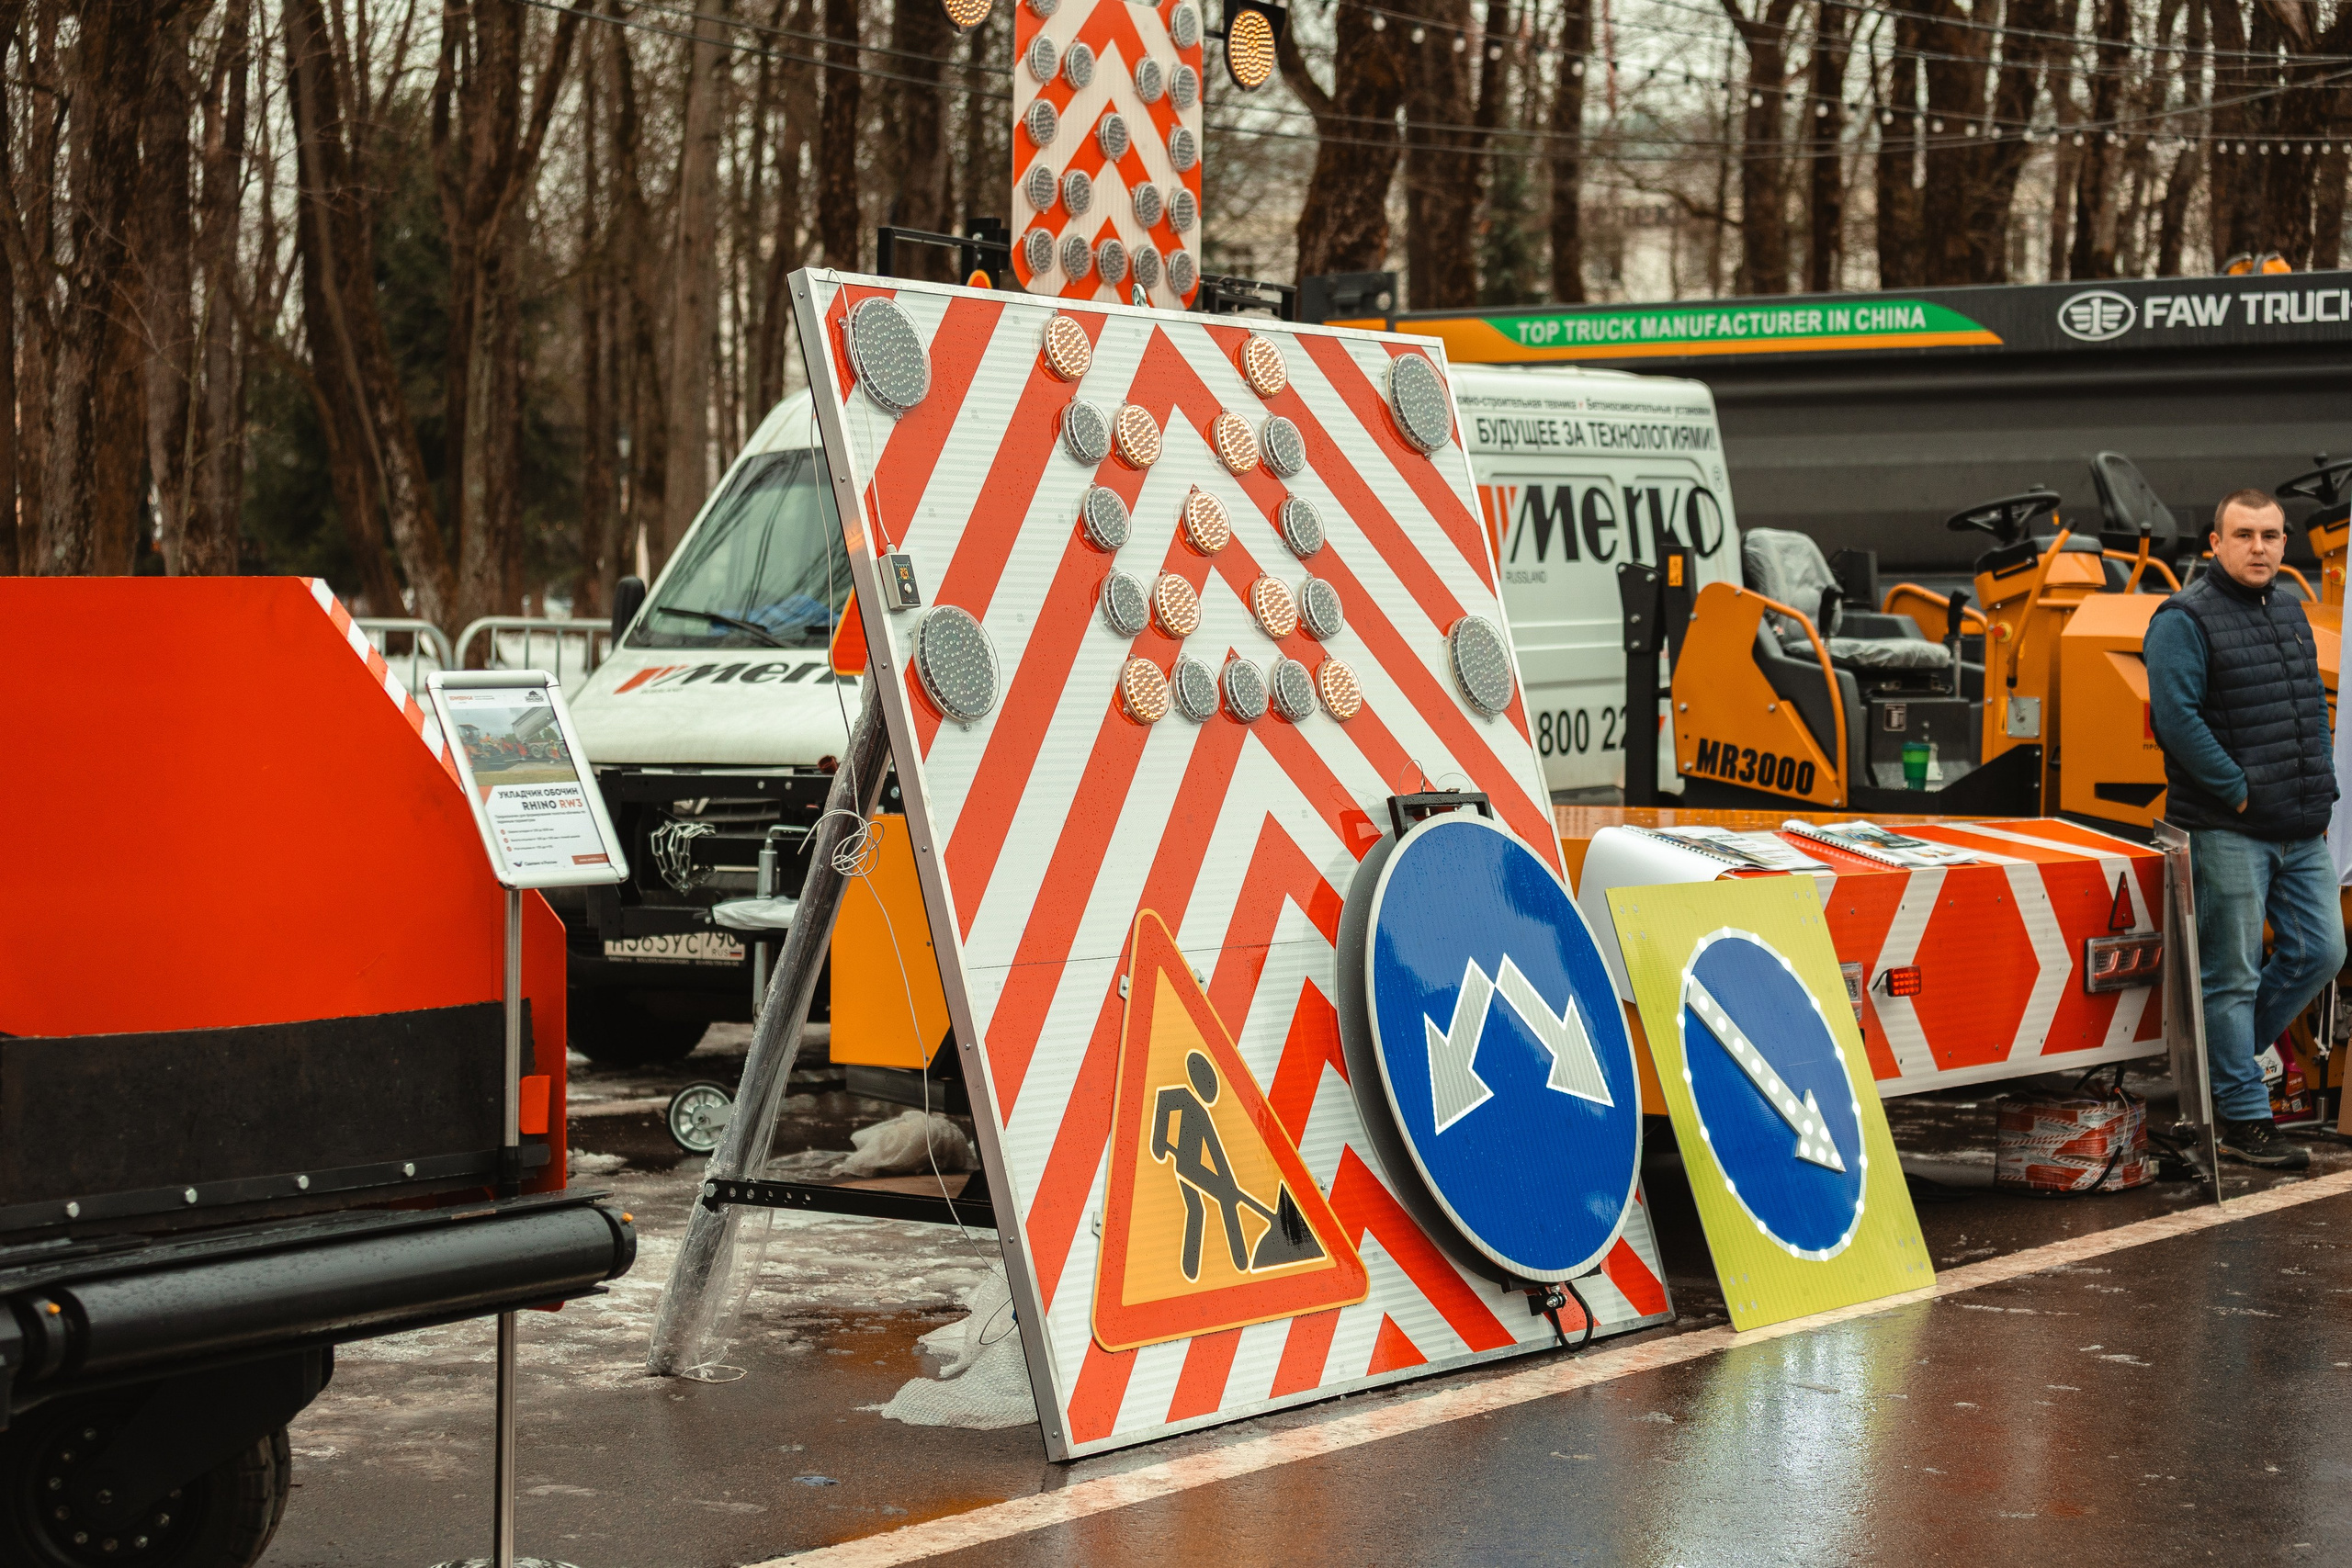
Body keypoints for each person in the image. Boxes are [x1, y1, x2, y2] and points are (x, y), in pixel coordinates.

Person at [2146, 488, 2346, 1170]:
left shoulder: (2289, 611)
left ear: (2285, 543)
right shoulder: (2182, 619)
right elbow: (2175, 720)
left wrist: (2320, 789)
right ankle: (2241, 1116)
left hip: (2299, 824)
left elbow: (2310, 711)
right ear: (2215, 543)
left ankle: (2213, 1075)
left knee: (2321, 952)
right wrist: (2238, 793)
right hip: (2227, 827)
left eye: (2270, 534)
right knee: (2228, 976)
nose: (2259, 546)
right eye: (2244, 534)